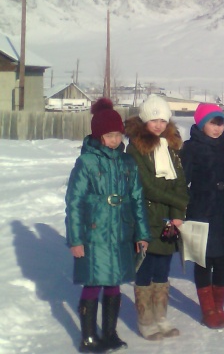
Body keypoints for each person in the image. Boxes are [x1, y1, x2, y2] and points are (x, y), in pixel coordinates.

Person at [65, 98, 151, 353]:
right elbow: (74, 202)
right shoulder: (86, 162)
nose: (115, 140)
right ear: (98, 135)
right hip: (94, 233)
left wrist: (142, 233)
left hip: (121, 232)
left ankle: (110, 333)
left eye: (118, 135)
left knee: (114, 282)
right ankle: (88, 337)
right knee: (93, 282)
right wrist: (76, 239)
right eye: (109, 135)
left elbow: (137, 199)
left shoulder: (127, 162)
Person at [125, 94, 189, 340]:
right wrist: (178, 203)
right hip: (145, 216)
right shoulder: (135, 148)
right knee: (145, 266)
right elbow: (147, 186)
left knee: (163, 268)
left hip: (168, 220)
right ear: (144, 121)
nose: (159, 125)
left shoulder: (171, 147)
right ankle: (145, 320)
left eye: (163, 120)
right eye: (154, 120)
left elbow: (180, 182)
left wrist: (178, 214)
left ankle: (161, 316)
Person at [180, 103, 224, 329]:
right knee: (204, 260)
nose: (217, 128)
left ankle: (219, 307)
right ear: (201, 124)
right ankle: (208, 309)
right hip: (201, 210)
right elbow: (182, 181)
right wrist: (184, 207)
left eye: (220, 123)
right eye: (212, 123)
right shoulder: (191, 148)